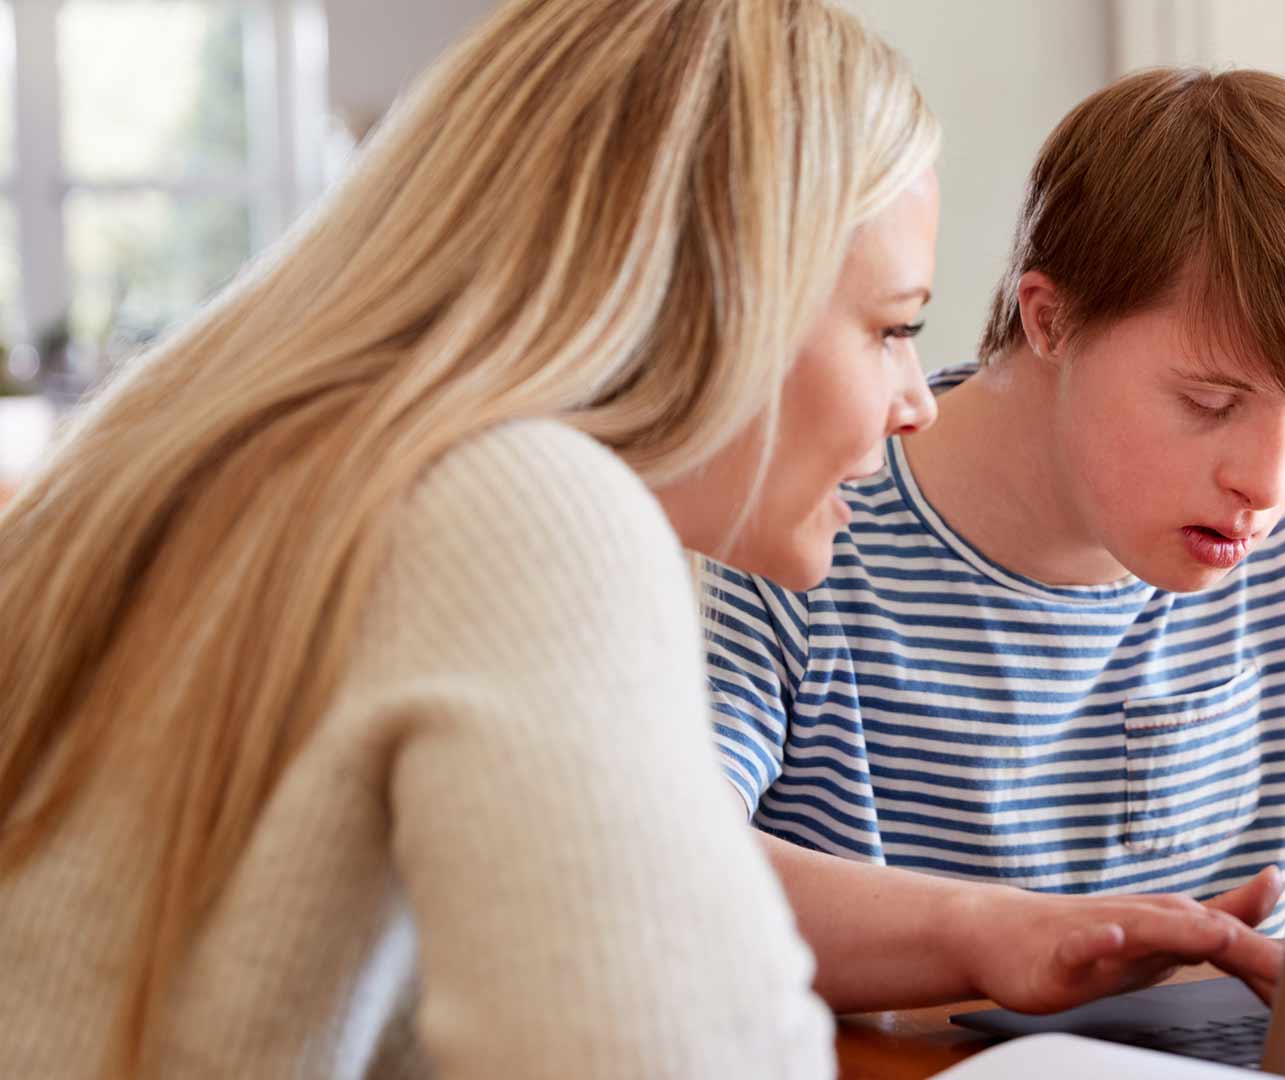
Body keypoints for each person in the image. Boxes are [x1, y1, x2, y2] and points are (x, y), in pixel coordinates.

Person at [0, 0, 953, 1075]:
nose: (917, 400)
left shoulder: (230, 459)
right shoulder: (514, 507)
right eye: (894, 327)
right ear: (719, 283)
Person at [701, 66, 1285, 1014]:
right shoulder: (803, 529)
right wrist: (989, 933)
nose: (1267, 480)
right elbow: (667, 858)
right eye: (1210, 402)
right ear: (1051, 320)